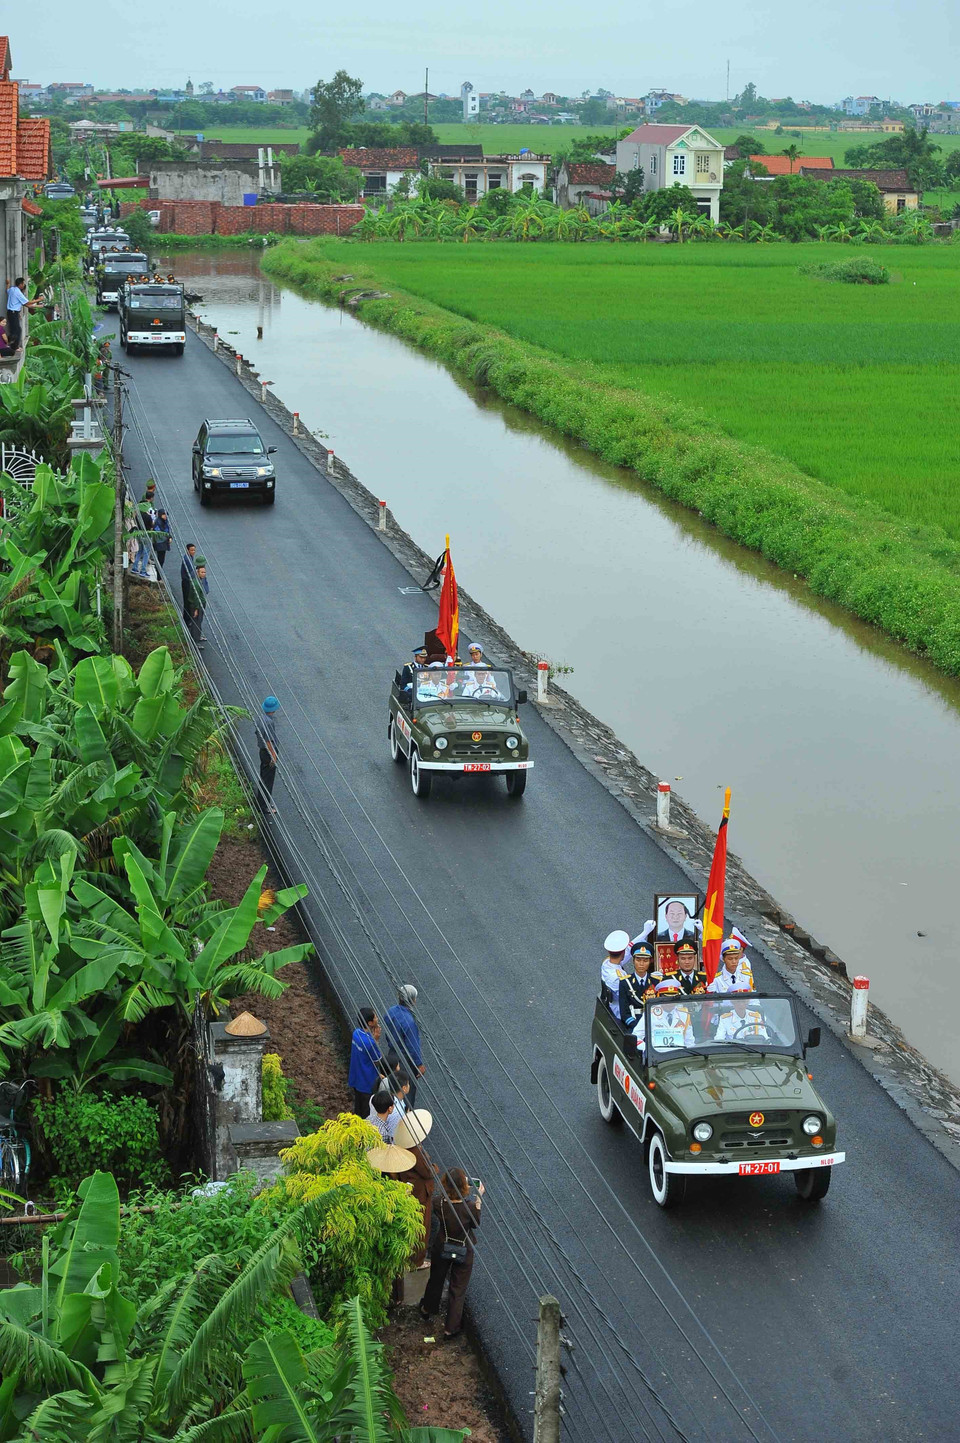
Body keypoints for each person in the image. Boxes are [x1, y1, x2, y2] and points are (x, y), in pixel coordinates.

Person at [419, 1167, 483, 1338]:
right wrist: (479, 1198)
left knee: (436, 1279)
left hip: (442, 1246)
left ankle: (427, 1308)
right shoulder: (469, 1206)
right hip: (464, 1249)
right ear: (465, 1186)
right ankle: (451, 1328)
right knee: (458, 1288)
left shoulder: (439, 1202)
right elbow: (475, 1223)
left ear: (445, 1184)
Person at [394, 1109, 435, 1269]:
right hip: (420, 1192)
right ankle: (417, 1260)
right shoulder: (415, 1151)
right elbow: (428, 1171)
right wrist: (435, 1167)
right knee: (422, 1226)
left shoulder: (401, 1146)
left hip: (408, 1187)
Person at [384, 984, 425, 1087]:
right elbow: (412, 1046)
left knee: (393, 1084)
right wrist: (419, 1064)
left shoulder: (391, 1011)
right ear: (412, 1001)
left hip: (392, 1053)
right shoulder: (410, 1022)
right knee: (405, 1087)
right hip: (404, 1060)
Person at [348, 1007, 383, 1118]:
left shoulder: (356, 1033)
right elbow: (378, 1061)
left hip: (356, 1078)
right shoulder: (370, 1042)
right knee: (367, 1113)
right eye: (375, 1017)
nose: (377, 1018)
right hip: (367, 1083)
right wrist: (376, 1040)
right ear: (370, 1023)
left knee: (358, 1106)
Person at [619, 942, 655, 1031]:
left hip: (654, 1022)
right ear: (633, 961)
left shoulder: (656, 981)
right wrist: (636, 1026)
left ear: (650, 961)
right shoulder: (625, 982)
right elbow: (624, 1012)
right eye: (638, 960)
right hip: (634, 1022)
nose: (641, 964)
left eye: (645, 960)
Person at [647, 981, 694, 1049]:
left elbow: (689, 1041)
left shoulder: (684, 1014)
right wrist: (646, 1049)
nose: (670, 1002)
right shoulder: (651, 1013)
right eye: (666, 998)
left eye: (673, 999)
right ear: (660, 997)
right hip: (657, 1054)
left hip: (679, 1055)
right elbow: (637, 1035)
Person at [256, 696, 280, 812]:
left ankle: (261, 802)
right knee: (268, 780)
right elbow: (269, 741)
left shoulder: (261, 718)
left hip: (262, 751)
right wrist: (273, 756)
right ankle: (264, 806)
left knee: (263, 777)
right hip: (268, 753)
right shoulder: (269, 722)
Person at [5, 277, 41, 353]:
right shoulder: (18, 292)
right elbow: (27, 303)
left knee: (14, 329)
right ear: (21, 284)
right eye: (23, 283)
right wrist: (39, 300)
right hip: (13, 313)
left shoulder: (12, 289)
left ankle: (9, 344)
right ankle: (13, 346)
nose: (24, 285)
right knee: (17, 330)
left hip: (12, 312)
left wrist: (8, 284)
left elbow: (7, 290)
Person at [600, 930, 630, 1019]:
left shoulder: (606, 963)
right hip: (621, 1011)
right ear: (623, 952)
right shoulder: (618, 977)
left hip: (613, 1005)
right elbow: (631, 996)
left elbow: (628, 951)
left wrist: (644, 934)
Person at [186, 559, 209, 647]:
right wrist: (196, 609)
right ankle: (195, 641)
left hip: (199, 603)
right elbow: (196, 598)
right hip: (197, 605)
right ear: (197, 572)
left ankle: (196, 637)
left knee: (198, 621)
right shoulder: (196, 583)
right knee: (196, 622)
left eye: (204, 572)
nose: (204, 574)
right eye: (202, 572)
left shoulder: (198, 580)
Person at [180, 543, 198, 622]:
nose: (193, 552)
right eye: (192, 550)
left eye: (194, 550)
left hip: (186, 581)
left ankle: (187, 619)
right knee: (188, 602)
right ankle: (187, 620)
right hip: (187, 582)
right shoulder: (187, 559)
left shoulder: (189, 557)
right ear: (187, 550)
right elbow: (191, 572)